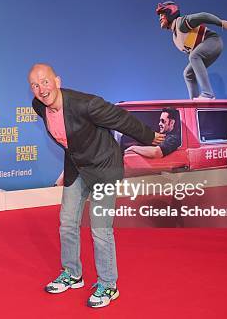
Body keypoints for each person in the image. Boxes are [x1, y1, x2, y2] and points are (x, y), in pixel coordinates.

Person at [28, 63, 164, 308]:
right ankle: (72, 274)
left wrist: (149, 136)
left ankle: (108, 285)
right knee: (67, 222)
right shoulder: (39, 106)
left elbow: (120, 118)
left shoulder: (86, 104)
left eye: (45, 82)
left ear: (57, 81)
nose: (41, 89)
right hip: (77, 166)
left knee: (100, 229)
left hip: (104, 168)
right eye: (35, 85)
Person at [156, 1, 227, 100]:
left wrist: (221, 23)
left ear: (170, 12)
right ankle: (194, 100)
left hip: (213, 41)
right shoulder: (175, 38)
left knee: (193, 56)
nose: (160, 18)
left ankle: (208, 94)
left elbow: (203, 16)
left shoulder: (181, 23)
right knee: (187, 73)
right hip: (207, 49)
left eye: (162, 15)